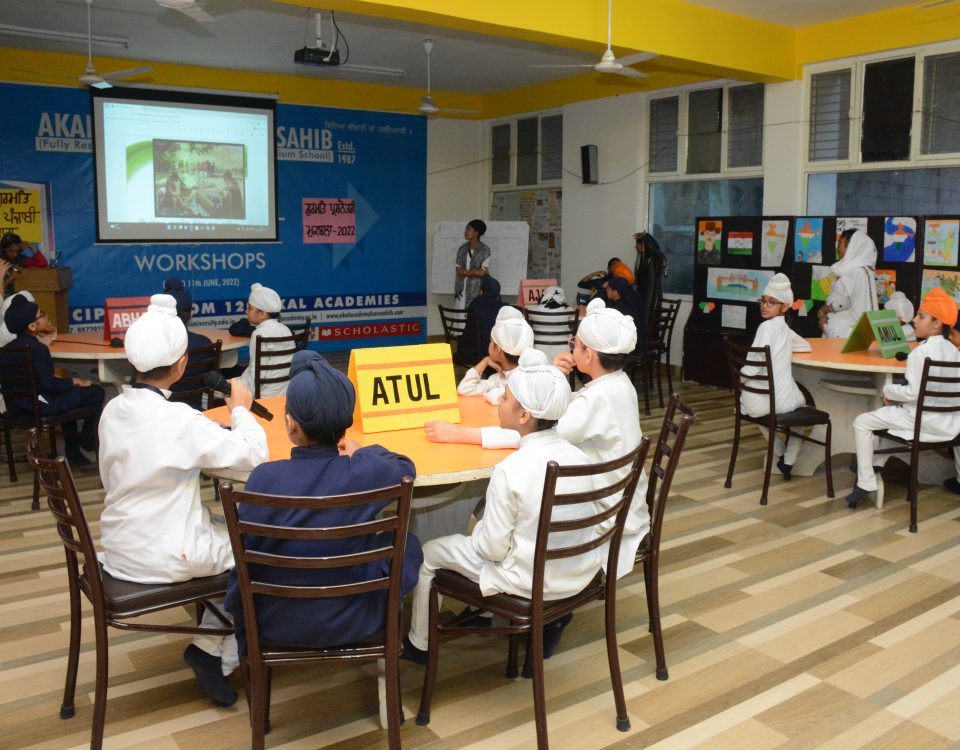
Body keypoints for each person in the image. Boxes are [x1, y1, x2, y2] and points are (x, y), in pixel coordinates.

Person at [98, 294, 268, 706]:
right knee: (261, 552)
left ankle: (209, 646)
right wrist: (241, 410)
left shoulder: (112, 410)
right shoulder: (178, 420)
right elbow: (255, 455)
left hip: (120, 547)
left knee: (225, 532)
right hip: (165, 553)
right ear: (181, 364)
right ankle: (220, 655)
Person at [403, 349, 603, 665]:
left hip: (528, 580)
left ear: (524, 416)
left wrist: (478, 532)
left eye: (506, 398)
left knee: (430, 552)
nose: (499, 402)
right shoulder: (581, 457)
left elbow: (492, 550)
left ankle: (420, 645)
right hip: (578, 571)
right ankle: (482, 613)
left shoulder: (511, 469)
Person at [427, 299, 648, 579]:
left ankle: (499, 555)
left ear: (589, 355)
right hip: (623, 502)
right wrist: (553, 377)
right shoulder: (618, 385)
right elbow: (563, 408)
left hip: (601, 514)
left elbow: (536, 429)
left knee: (515, 489)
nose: (571, 348)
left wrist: (458, 434)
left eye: (575, 344)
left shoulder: (597, 400)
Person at [225, 350, 423, 656]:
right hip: (356, 618)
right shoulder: (364, 473)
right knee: (408, 543)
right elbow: (405, 466)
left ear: (290, 424)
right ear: (345, 424)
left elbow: (248, 556)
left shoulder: (264, 478)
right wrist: (359, 451)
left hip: (274, 620)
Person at [848, 288, 960, 507]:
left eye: (921, 316)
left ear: (937, 323)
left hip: (922, 422)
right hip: (951, 425)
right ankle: (876, 462)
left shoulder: (920, 352)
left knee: (863, 421)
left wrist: (888, 391)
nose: (915, 320)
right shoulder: (955, 352)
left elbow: (913, 393)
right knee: (890, 417)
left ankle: (866, 480)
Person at [0, 295, 103, 466]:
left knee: (68, 394)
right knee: (96, 391)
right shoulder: (37, 349)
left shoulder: (6, 350)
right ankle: (87, 440)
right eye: (41, 314)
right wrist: (74, 381)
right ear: (32, 326)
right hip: (39, 406)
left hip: (15, 407)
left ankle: (73, 450)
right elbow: (49, 385)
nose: (45, 316)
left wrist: (67, 384)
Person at [740, 274, 812, 479]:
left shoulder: (765, 328)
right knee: (802, 409)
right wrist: (786, 346)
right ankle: (789, 457)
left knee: (754, 407)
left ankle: (779, 450)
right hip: (780, 401)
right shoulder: (785, 330)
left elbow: (753, 364)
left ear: (785, 306)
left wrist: (741, 379)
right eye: (763, 301)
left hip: (757, 402)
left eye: (772, 302)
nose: (765, 306)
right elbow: (806, 346)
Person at [457, 305, 534, 405]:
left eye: (491, 341)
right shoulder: (499, 378)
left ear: (497, 348)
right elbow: (464, 389)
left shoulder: (524, 381)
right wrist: (486, 361)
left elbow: (506, 397)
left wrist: (491, 393)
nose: (489, 344)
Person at [163, 276, 216, 408]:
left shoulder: (156, 345)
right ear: (191, 313)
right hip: (196, 409)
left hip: (164, 411)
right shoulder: (205, 343)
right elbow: (214, 379)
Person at [819, 229, 879, 339]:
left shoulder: (857, 271)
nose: (838, 248)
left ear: (852, 246)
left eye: (840, 243)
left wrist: (824, 311)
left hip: (846, 330)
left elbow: (845, 302)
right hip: (842, 327)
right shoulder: (852, 269)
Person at [239, 283, 294, 398]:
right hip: (286, 393)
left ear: (262, 314)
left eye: (249, 308)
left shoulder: (258, 334)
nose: (246, 311)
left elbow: (257, 375)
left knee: (210, 391)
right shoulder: (286, 330)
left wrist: (247, 397)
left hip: (263, 396)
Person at [458, 274, 504, 363]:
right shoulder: (501, 307)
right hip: (489, 350)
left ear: (482, 290)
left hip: (471, 349)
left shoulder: (475, 303)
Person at [633, 231, 667, 350]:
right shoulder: (642, 260)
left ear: (644, 245)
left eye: (638, 244)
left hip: (650, 297)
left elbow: (660, 254)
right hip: (642, 296)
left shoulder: (653, 259)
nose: (635, 247)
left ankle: (645, 351)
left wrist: (646, 238)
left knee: (648, 323)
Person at [525, 285, 575, 362]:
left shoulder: (532, 309)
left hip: (538, 347)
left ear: (543, 296)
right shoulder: (567, 310)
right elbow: (572, 312)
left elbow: (525, 312)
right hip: (563, 347)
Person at [454, 219, 491, 310]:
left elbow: (482, 272)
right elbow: (458, 271)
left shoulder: (485, 250)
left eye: (468, 229)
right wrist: (474, 272)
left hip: (476, 290)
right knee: (460, 315)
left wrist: (465, 272)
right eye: (466, 229)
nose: (465, 232)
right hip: (461, 290)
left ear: (476, 232)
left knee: (473, 314)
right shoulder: (462, 249)